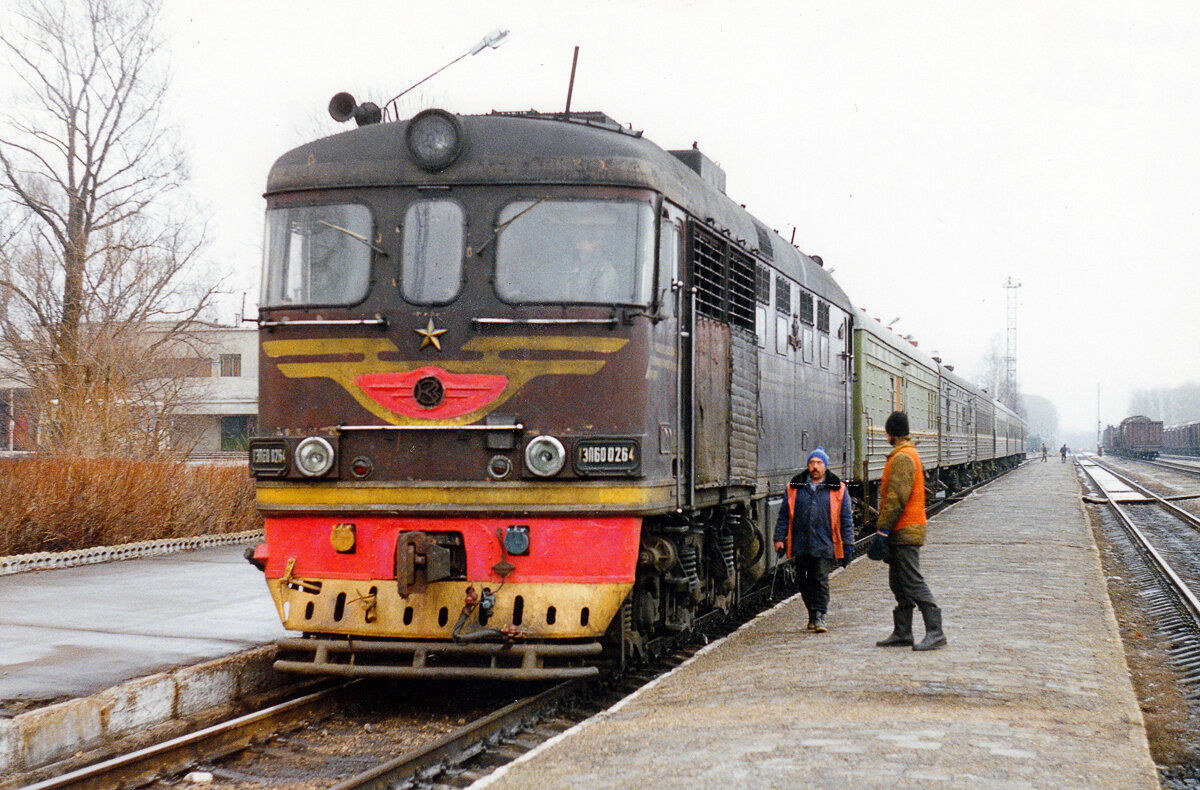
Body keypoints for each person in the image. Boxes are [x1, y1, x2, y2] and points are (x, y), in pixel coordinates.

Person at [867, 411, 947, 651]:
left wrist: (883, 529)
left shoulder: (902, 457)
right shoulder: (905, 454)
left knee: (912, 581)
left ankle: (936, 631)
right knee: (898, 583)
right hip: (903, 529)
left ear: (890, 433)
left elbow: (896, 498)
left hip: (905, 528)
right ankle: (903, 632)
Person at [773, 447, 854, 633]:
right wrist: (779, 538)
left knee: (820, 579)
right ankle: (811, 613)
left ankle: (819, 616)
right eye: (811, 463)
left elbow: (846, 519)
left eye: (818, 463)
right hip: (801, 543)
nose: (814, 467)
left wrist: (848, 543)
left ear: (825, 466)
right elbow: (784, 515)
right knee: (804, 580)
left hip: (825, 542)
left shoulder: (838, 489)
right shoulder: (795, 487)